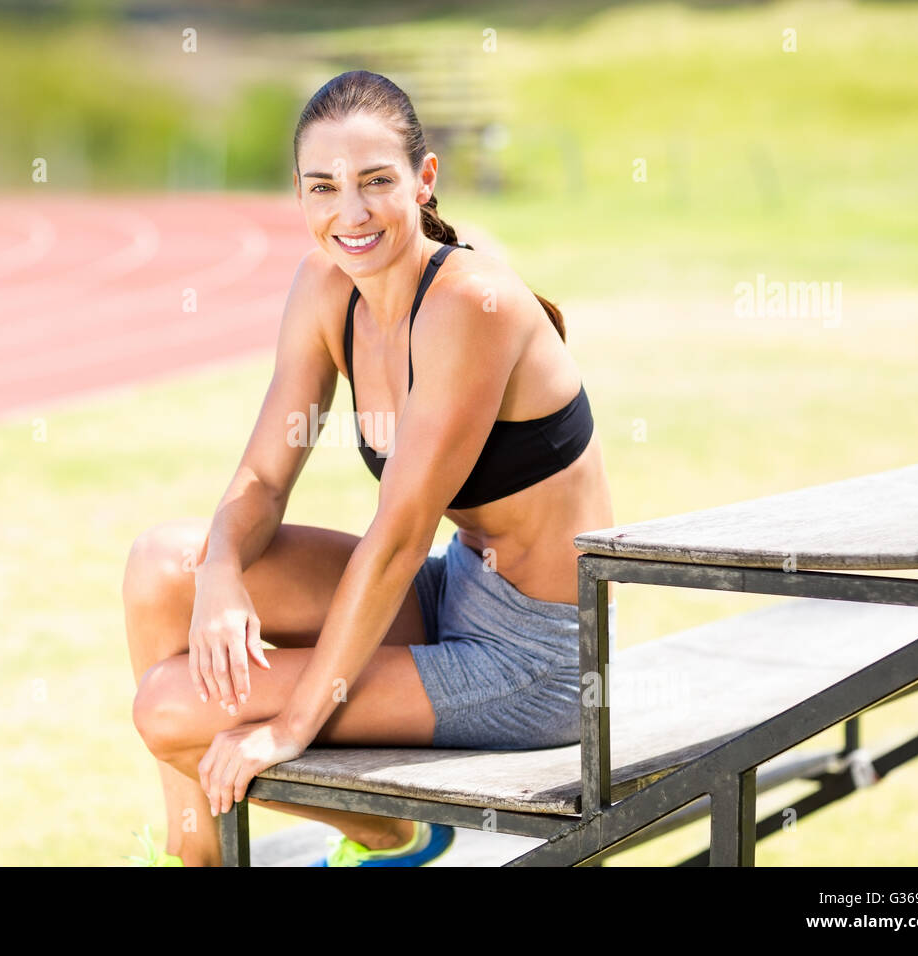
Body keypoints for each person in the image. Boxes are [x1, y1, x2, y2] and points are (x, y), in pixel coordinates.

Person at [124, 69, 617, 867]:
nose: (349, 213)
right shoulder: (328, 288)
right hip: (449, 590)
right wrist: (219, 569)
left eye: (375, 182)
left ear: (424, 182)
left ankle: (395, 839)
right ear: (299, 195)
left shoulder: (468, 304)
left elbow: (394, 537)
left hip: (533, 660)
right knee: (161, 566)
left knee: (172, 708)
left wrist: (289, 729)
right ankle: (197, 860)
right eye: (324, 187)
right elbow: (263, 482)